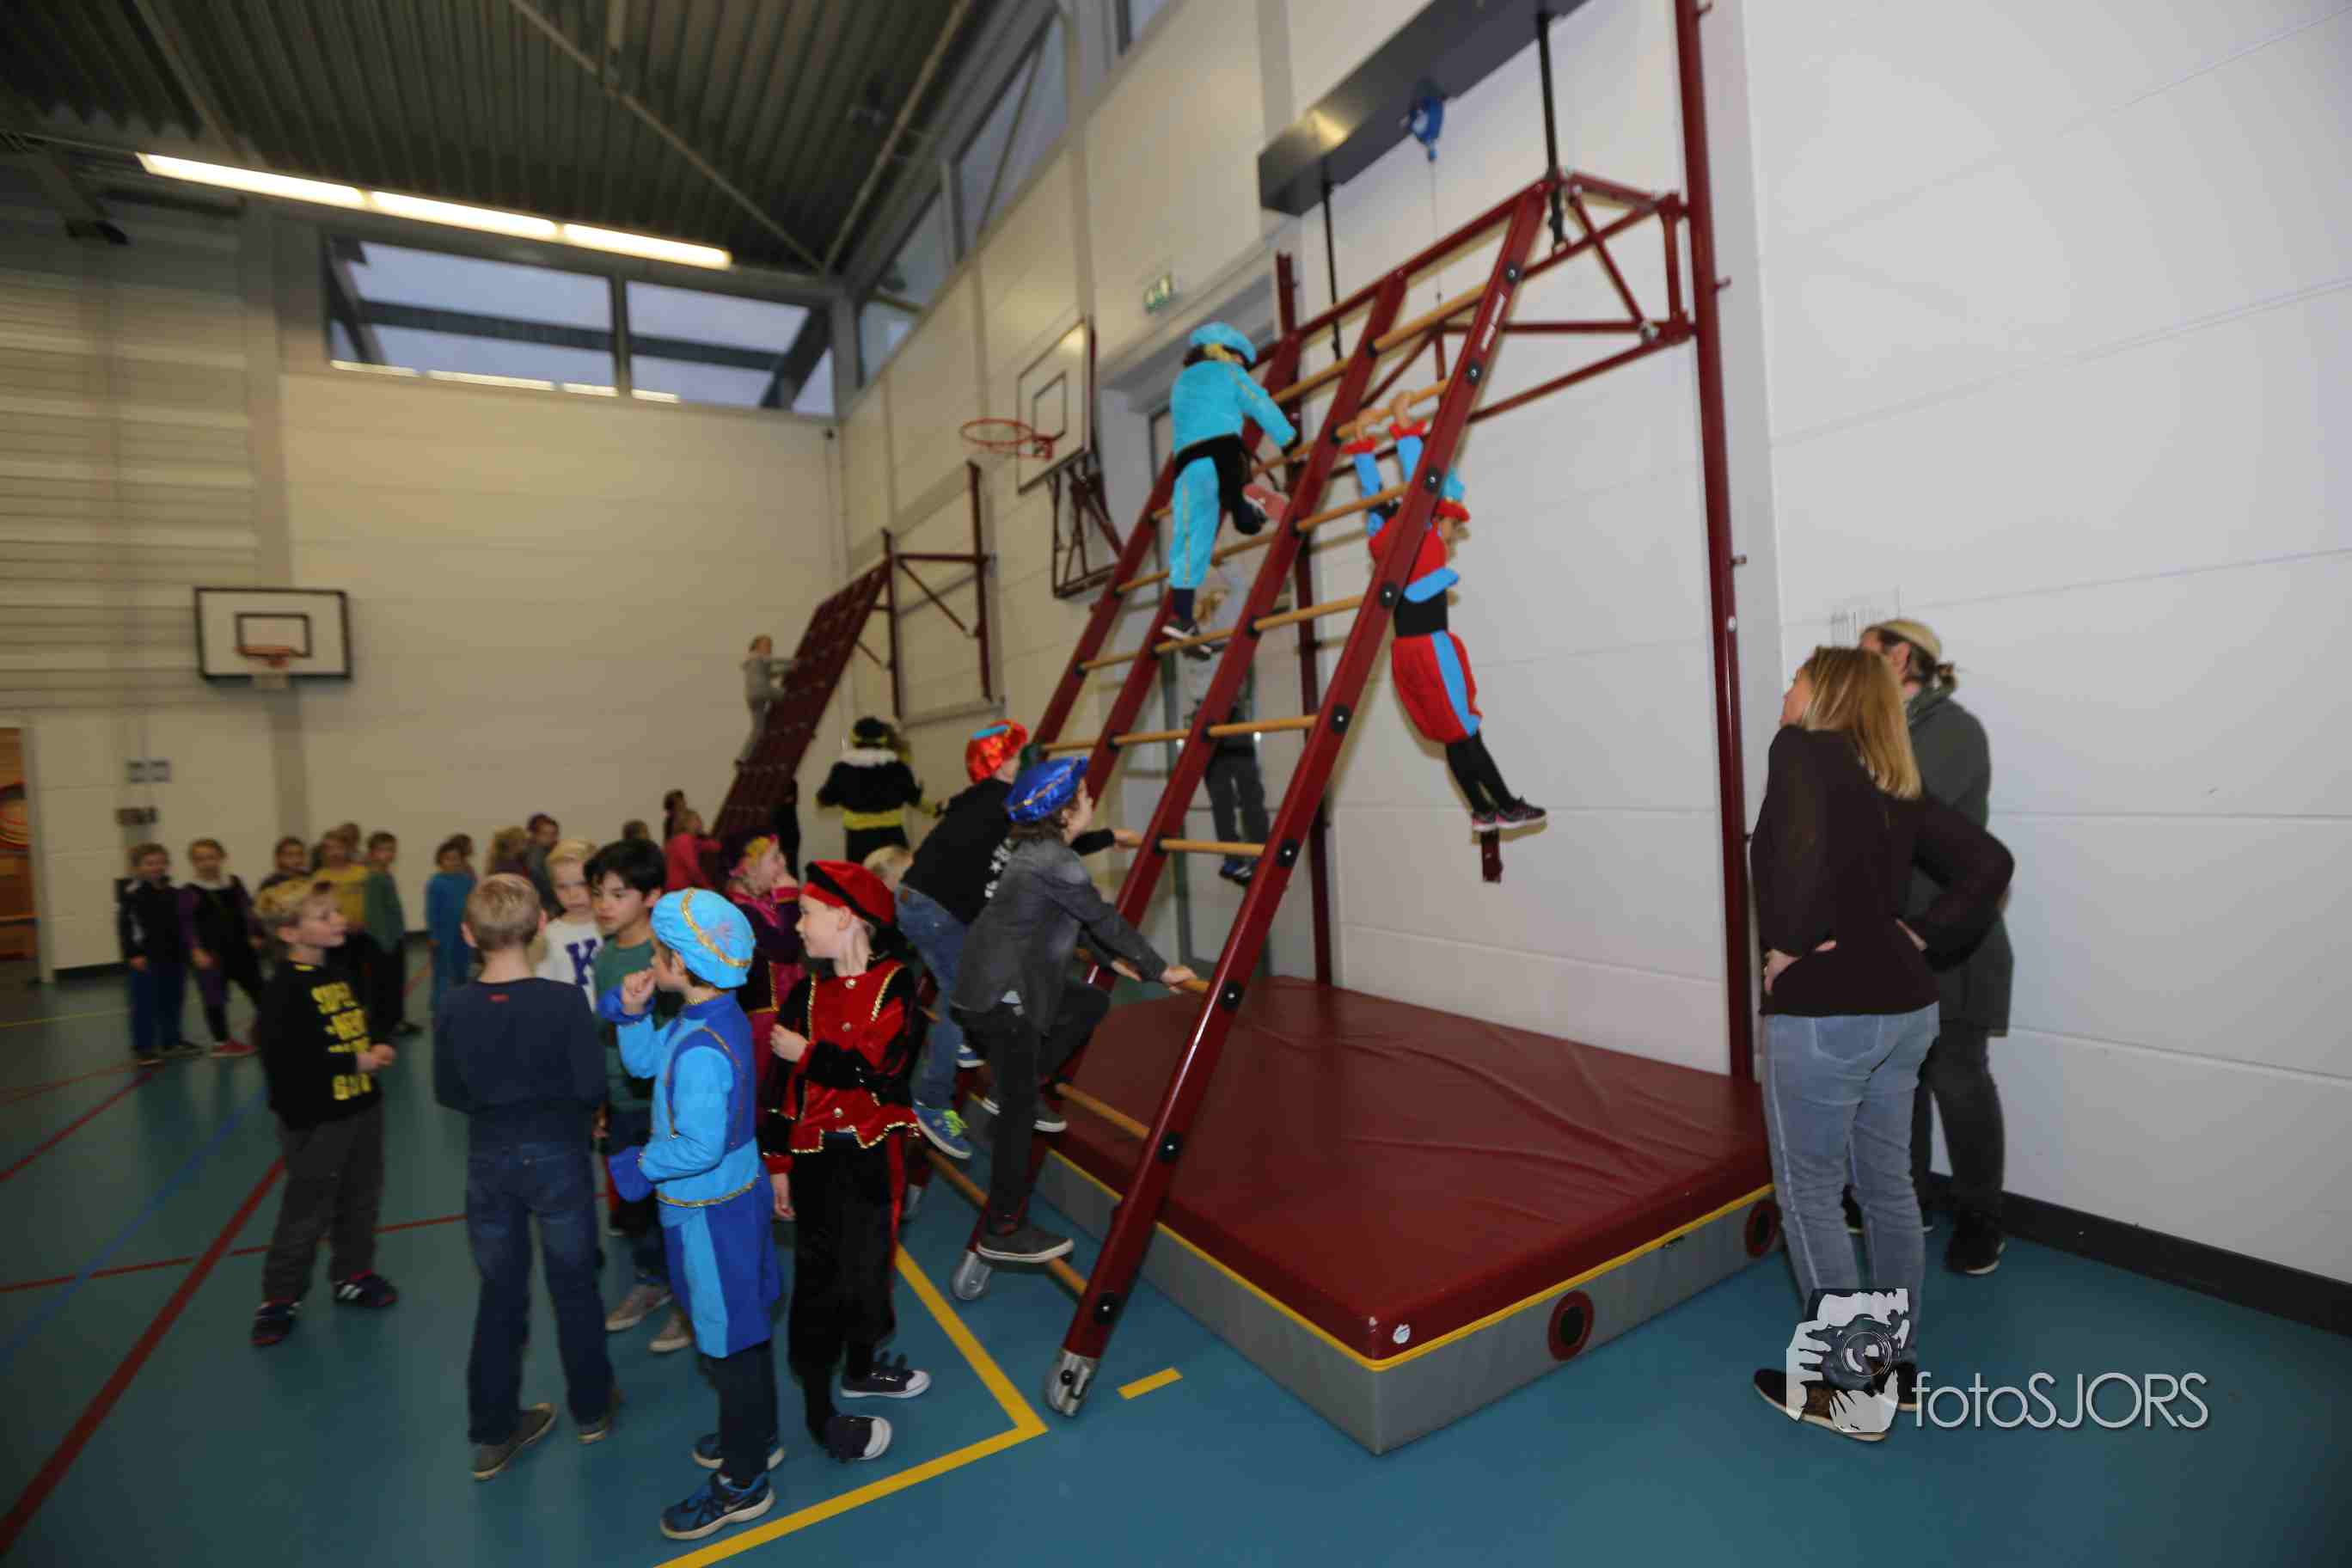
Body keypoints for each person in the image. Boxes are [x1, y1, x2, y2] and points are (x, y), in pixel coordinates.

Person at [1745, 647, 2012, 1439]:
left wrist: (1789, 947)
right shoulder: (1893, 780)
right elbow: (1990, 863)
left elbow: (1791, 901)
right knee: (1889, 1190)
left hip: (1830, 1015)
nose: (1786, 688)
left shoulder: (1800, 752)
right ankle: (1896, 1372)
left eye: (1796, 677)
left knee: (1811, 1192)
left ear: (1823, 694)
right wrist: (1915, 935)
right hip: (1906, 1006)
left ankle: (1850, 1389)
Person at [950, 758, 1196, 1263]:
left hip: (987, 985)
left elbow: (1072, 918)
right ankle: (1002, 1227)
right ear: (1064, 814)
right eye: (1084, 795)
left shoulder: (1035, 852)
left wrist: (1113, 962)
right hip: (1002, 998)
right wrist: (1159, 969)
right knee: (1019, 1117)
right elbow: (1102, 918)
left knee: (1089, 1000)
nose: (1090, 800)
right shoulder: (1053, 861)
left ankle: (1018, 1086)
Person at [601, 890, 782, 1542]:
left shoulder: (704, 1046)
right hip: (726, 1201)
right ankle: (756, 1435)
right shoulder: (706, 1014)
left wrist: (637, 1165)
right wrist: (632, 1014)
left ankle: (743, 1480)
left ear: (681, 964)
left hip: (710, 1215)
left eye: (657, 953)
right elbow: (646, 1064)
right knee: (743, 1328)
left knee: (728, 1343)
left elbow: (699, 1146)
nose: (650, 961)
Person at [432, 873, 617, 1479]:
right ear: (540, 925)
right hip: (559, 1156)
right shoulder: (563, 1002)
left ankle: (493, 1431)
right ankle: (592, 1408)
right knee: (575, 1286)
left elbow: (448, 1090)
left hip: (490, 1161)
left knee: (500, 1293)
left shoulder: (453, 1005)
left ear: (468, 934)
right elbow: (591, 1085)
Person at [896, 723, 1142, 1162]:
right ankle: (932, 1099)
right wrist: (1106, 838)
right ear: (1000, 765)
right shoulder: (1004, 805)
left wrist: (1106, 838)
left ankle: (977, 1049)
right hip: (936, 909)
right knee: (961, 995)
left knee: (980, 984)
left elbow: (1042, 844)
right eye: (1016, 757)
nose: (1025, 764)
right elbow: (1047, 842)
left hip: (920, 901)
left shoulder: (982, 800)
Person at [1860, 619, 2015, 1277]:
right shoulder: (1880, 732)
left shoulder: (1953, 730)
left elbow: (1904, 823)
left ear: (1901, 658)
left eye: (1866, 656)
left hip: (1955, 943)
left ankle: (1982, 1222)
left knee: (1957, 1079)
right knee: (1903, 1080)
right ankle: (1912, 1200)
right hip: (1898, 942)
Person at [762, 861, 930, 1462]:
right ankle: (819, 1413)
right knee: (818, 1282)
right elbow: (779, 1089)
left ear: (845, 917)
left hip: (872, 1157)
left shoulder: (897, 985)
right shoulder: (803, 996)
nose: (798, 926)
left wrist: (810, 1054)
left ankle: (860, 1369)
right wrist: (777, 1161)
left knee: (870, 1269)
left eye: (806, 913)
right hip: (816, 1161)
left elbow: (882, 1069)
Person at [1346, 397, 1542, 829]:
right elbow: (1423, 481)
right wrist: (1403, 425)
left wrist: (1362, 440)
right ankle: (1506, 804)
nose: (1451, 538)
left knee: (1452, 736)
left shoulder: (1386, 542)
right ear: (1437, 519)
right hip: (1432, 651)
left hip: (1404, 655)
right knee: (1467, 731)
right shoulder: (1424, 538)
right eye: (1452, 528)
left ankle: (1482, 810)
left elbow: (1372, 494)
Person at [248, 879, 400, 1347]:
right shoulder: (283, 990)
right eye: (325, 916)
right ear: (290, 933)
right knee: (307, 1210)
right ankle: (280, 1298)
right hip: (317, 1119)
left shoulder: (336, 974)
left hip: (362, 1106)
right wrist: (352, 1062)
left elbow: (356, 1023)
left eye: (337, 912)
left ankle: (352, 1273)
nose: (339, 920)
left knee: (361, 1197)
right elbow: (287, 1059)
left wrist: (375, 1044)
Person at [587, 836, 693, 1355]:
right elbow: (605, 1033)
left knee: (675, 1206)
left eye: (617, 894)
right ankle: (652, 1281)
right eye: (598, 893)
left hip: (661, 1106)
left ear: (651, 897)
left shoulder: (665, 958)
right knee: (634, 1206)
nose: (603, 905)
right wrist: (601, 1098)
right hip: (621, 1101)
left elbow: (676, 1037)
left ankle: (688, 1301)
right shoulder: (607, 955)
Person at [1165, 322, 1297, 640]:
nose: (1242, 366)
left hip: (1187, 468)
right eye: (1241, 360)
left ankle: (1182, 616)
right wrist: (1288, 439)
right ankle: (1246, 507)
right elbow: (1259, 402)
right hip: (1224, 455)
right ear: (1227, 354)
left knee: (1190, 538)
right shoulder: (1229, 372)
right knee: (1239, 506)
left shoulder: (1181, 383)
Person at [1183, 573, 1271, 885]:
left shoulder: (1195, 635)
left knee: (1223, 794)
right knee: (1247, 790)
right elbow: (1241, 585)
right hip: (1224, 714)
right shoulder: (1218, 629)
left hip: (1204, 717)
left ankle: (1234, 858)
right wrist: (1223, 563)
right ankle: (1257, 853)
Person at [723, 831, 804, 1102]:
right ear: (749, 866)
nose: (784, 864)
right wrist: (789, 901)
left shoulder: (762, 904)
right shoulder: (740, 912)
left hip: (778, 1018)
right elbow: (786, 950)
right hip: (760, 1025)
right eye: (775, 858)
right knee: (766, 1094)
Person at [179, 837, 264, 1059]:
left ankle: (269, 1031)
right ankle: (222, 1042)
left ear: (222, 857)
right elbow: (186, 924)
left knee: (260, 992)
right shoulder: (189, 891)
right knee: (214, 998)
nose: (207, 863)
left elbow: (248, 910)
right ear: (193, 862)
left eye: (211, 857)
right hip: (211, 955)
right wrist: (196, 950)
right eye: (200, 859)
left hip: (242, 950)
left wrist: (255, 933)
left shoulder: (234, 883)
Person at [118, 842, 196, 1064]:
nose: (156, 867)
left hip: (174, 956)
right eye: (150, 863)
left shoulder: (173, 892)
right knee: (145, 1003)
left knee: (173, 999)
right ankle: (143, 1046)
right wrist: (133, 954)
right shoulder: (132, 893)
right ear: (137, 867)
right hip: (146, 958)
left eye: (161, 862)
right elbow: (126, 926)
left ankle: (171, 1040)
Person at [816, 717, 931, 865]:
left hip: (859, 838)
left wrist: (823, 800)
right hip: (892, 834)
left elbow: (824, 799)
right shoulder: (897, 767)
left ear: (854, 738)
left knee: (861, 876)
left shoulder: (842, 769)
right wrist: (935, 810)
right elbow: (915, 799)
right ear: (883, 739)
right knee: (898, 873)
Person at [314, 830, 381, 1030]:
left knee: (364, 977)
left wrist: (366, 921)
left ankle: (365, 1015)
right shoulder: (320, 877)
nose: (335, 852)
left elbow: (373, 902)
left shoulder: (362, 873)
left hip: (363, 934)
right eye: (330, 848)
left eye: (340, 848)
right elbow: (317, 908)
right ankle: (344, 1018)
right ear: (323, 852)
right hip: (335, 938)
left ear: (348, 849)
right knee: (340, 977)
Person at [534, 838, 603, 1008]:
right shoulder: (547, 935)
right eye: (562, 887)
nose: (573, 895)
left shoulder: (616, 927)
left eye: (581, 884)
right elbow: (542, 993)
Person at [363, 830, 419, 1038]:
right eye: (382, 850)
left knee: (395, 983)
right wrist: (386, 943)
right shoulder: (374, 879)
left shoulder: (386, 875)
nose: (388, 854)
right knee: (382, 986)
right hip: (382, 942)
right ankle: (382, 1025)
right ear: (371, 853)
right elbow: (375, 915)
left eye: (391, 850)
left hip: (394, 939)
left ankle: (395, 1021)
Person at [425, 836, 477, 1017]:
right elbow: (432, 911)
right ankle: (439, 1005)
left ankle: (462, 1001)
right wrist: (434, 935)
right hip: (444, 934)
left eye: (456, 859)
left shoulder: (467, 880)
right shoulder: (436, 883)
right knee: (442, 971)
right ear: (440, 861)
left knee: (462, 968)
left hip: (464, 933)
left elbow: (473, 905)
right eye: (448, 859)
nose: (452, 863)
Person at [740, 634, 794, 763]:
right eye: (766, 645)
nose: (769, 648)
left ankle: (742, 757)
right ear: (756, 647)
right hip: (762, 690)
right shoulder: (756, 656)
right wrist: (793, 662)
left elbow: (771, 674)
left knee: (758, 729)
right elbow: (774, 660)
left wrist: (789, 669)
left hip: (751, 697)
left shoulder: (753, 662)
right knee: (787, 696)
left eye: (770, 645)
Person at [666, 810, 719, 893]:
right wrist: (707, 887)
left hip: (676, 889)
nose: (701, 822)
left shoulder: (681, 839)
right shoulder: (684, 840)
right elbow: (693, 869)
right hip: (679, 890)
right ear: (687, 823)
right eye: (697, 819)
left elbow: (709, 846)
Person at [524, 813, 561, 912]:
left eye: (553, 834)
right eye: (545, 834)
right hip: (545, 904)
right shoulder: (536, 854)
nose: (550, 838)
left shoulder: (555, 851)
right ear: (536, 835)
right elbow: (537, 876)